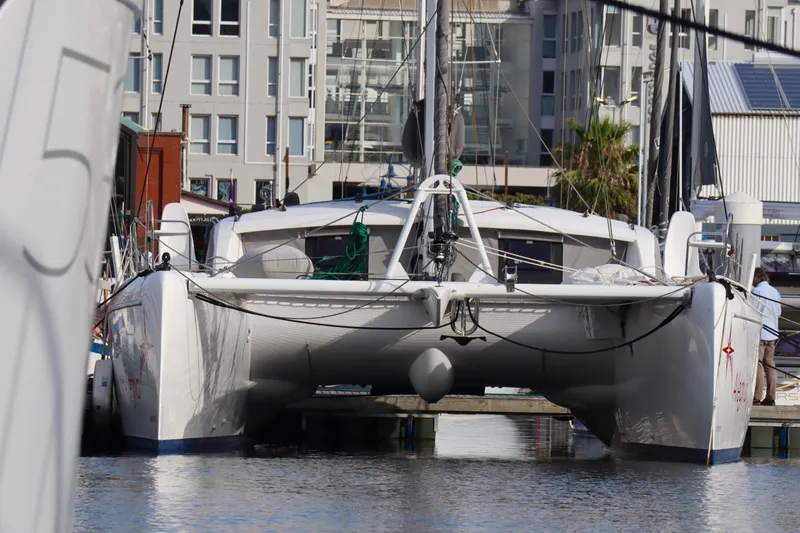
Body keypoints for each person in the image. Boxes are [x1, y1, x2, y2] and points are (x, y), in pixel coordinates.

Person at [752, 267, 782, 406]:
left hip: (760, 333)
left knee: (758, 364)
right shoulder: (775, 292)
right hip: (773, 333)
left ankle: (756, 396)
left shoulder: (756, 291)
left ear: (756, 277)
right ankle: (771, 397)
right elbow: (778, 312)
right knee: (770, 364)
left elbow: (752, 311)